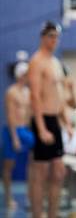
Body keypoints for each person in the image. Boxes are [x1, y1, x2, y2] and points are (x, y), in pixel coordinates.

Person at [28, 21, 73, 218]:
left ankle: (52, 214)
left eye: (57, 37)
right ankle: (38, 215)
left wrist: (67, 123)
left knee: (58, 173)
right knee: (40, 173)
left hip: (55, 121)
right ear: (43, 37)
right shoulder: (37, 61)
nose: (54, 40)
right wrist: (41, 128)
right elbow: (35, 96)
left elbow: (60, 97)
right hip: (43, 120)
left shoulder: (55, 63)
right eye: (51, 36)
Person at [2, 62, 34, 209]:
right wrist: (14, 137)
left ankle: (30, 196)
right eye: (27, 74)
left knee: (34, 162)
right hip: (12, 131)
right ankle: (8, 198)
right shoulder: (11, 92)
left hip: (25, 131)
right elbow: (10, 116)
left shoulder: (28, 92)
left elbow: (29, 114)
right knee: (9, 166)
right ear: (21, 75)